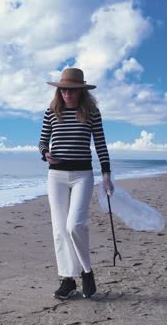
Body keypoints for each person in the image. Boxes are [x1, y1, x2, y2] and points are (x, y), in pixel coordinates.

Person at [38, 67, 113, 300]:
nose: (67, 94)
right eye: (63, 90)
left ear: (81, 92)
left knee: (74, 226)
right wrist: (45, 153)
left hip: (83, 175)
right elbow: (42, 142)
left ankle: (87, 272)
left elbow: (100, 144)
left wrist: (107, 175)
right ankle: (68, 279)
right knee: (60, 230)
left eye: (71, 90)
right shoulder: (51, 112)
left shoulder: (91, 113)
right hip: (56, 176)